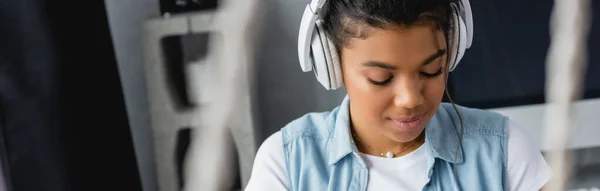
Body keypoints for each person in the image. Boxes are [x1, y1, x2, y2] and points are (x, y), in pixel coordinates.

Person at [246, 0, 552, 190]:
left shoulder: (504, 150)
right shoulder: (288, 162)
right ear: (331, 65)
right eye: (381, 78)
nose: (410, 99)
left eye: (432, 70)